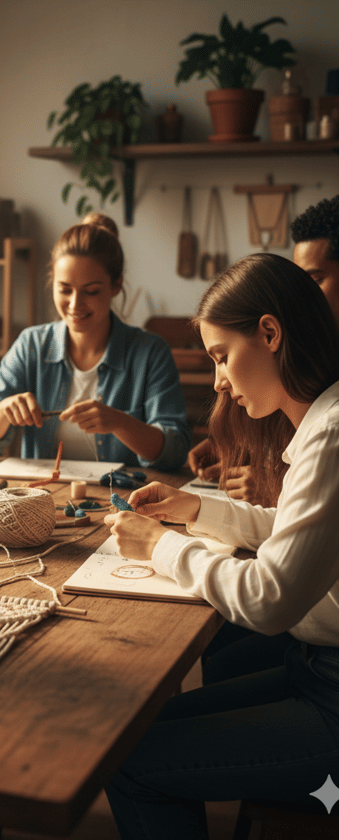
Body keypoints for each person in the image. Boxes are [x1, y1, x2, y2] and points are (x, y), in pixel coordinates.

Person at [103, 252, 339, 839]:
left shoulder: (332, 436)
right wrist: (198, 508)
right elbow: (297, 536)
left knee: (129, 759)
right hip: (313, 671)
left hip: (333, 699)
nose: (218, 381)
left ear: (269, 332)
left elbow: (271, 597)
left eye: (221, 357)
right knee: (131, 733)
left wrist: (160, 546)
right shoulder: (324, 422)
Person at [0, 214, 190, 471]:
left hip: (124, 503)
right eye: (64, 289)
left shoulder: (150, 353)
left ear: (115, 286)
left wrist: (120, 423)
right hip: (43, 500)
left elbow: (175, 451)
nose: (74, 305)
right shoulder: (32, 345)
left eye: (91, 291)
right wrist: (3, 410)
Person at [188, 194, 339, 502]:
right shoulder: (286, 359)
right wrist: (237, 444)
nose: (299, 295)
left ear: (271, 333)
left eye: (313, 280)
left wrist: (277, 486)